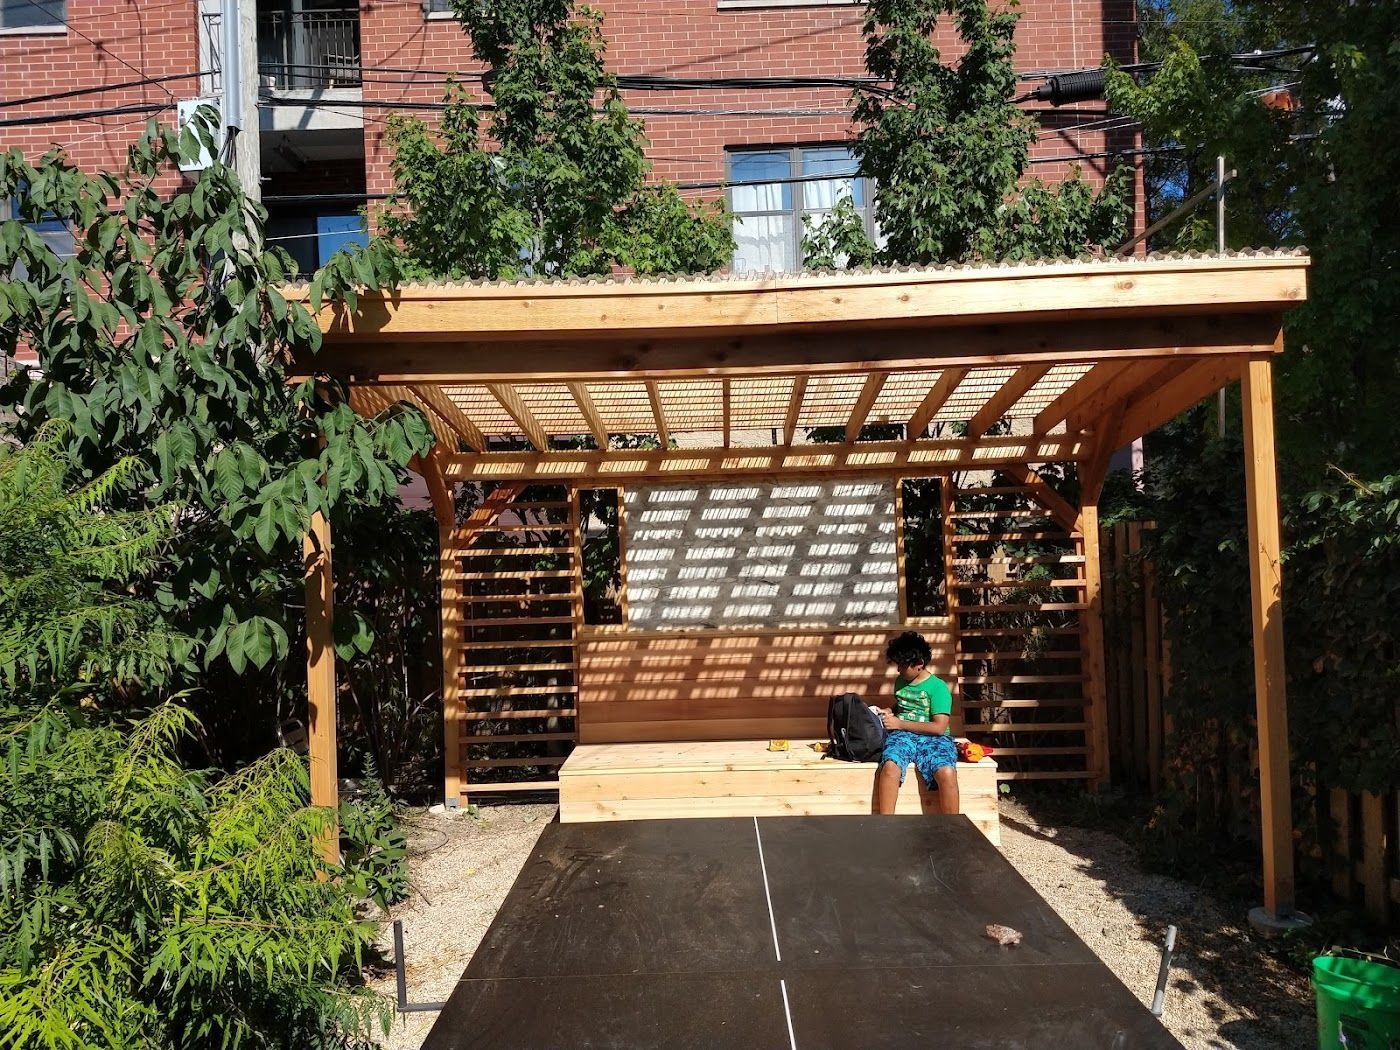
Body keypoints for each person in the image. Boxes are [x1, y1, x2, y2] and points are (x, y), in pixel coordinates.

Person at [872, 630, 959, 816]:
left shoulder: (938, 688)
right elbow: (904, 706)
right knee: (889, 767)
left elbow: (939, 727)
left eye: (902, 665)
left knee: (947, 772)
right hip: (903, 736)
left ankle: (953, 827)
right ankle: (885, 825)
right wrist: (890, 711)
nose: (898, 670)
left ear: (919, 664)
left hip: (934, 738)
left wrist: (900, 724)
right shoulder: (901, 681)